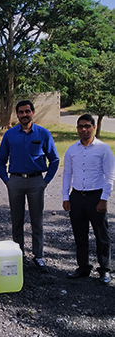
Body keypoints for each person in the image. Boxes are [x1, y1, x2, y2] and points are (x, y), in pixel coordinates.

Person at [0, 100, 59, 273]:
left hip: (36, 182)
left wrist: (46, 181)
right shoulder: (9, 135)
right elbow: (0, 160)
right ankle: (19, 254)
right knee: (16, 220)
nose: (24, 115)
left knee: (36, 221)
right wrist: (6, 180)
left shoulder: (43, 134)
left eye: (27, 111)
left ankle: (38, 256)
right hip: (15, 181)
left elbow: (54, 159)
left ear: (33, 112)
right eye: (21, 112)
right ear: (17, 115)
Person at [62, 114, 115, 284]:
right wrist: (66, 196)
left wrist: (104, 199)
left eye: (87, 126)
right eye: (80, 126)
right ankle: (83, 267)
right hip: (77, 197)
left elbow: (110, 176)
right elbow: (67, 174)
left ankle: (104, 270)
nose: (83, 129)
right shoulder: (72, 150)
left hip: (96, 197)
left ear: (93, 127)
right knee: (80, 234)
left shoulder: (103, 149)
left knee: (102, 235)